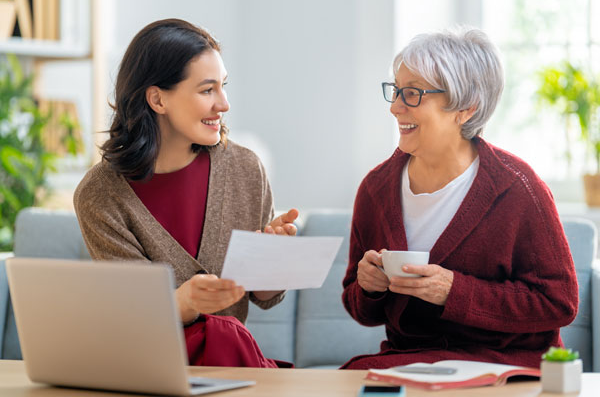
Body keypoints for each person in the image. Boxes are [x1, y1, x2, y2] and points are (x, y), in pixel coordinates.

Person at [341, 27, 578, 370]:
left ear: (466, 108)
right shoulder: (375, 189)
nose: (394, 107)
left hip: (503, 363)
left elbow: (559, 303)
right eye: (395, 91)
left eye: (411, 94)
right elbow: (360, 309)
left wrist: (455, 291)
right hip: (412, 362)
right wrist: (369, 287)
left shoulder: (519, 188)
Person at [74, 18, 297, 367]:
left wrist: (272, 260)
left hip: (228, 364)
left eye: (223, 87)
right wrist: (185, 302)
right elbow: (133, 317)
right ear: (157, 99)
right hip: (147, 368)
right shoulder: (100, 195)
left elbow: (264, 296)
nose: (223, 104)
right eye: (207, 90)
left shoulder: (246, 168)